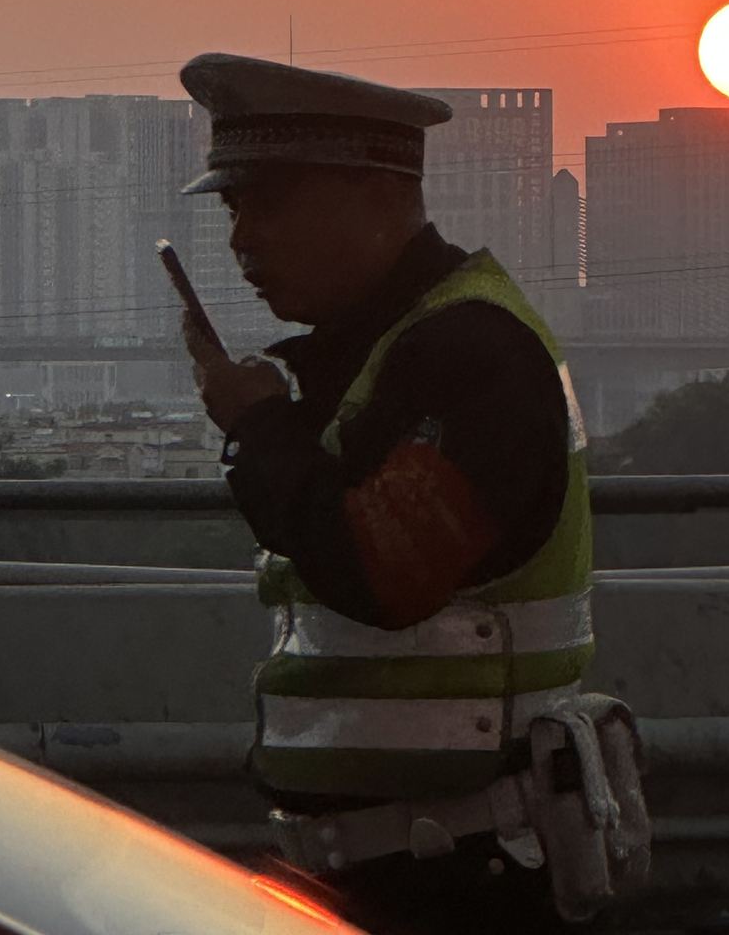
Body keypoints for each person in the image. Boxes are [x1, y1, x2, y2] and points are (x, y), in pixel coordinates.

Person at [174, 51, 602, 935]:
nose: (241, 240)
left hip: (462, 882)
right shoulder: (370, 358)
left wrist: (260, 430)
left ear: (377, 198)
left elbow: (379, 573)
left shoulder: (469, 350)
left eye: (270, 201)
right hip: (371, 875)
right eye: (231, 206)